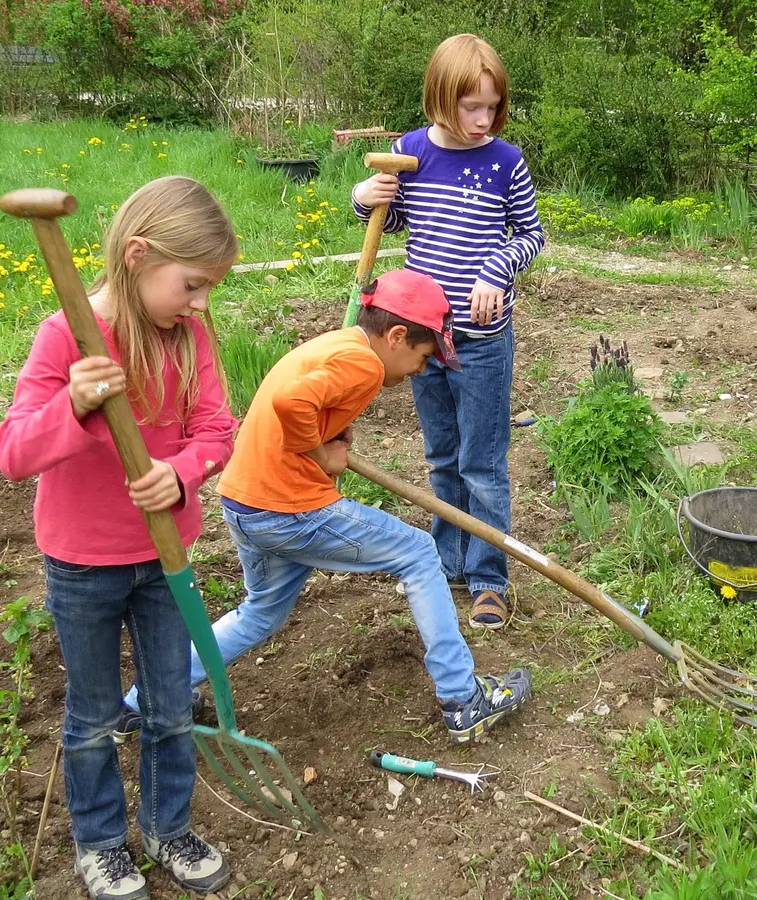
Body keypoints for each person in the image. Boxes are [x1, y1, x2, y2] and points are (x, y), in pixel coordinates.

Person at [0, 176, 238, 900]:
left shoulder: (191, 337)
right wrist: (76, 403)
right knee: (92, 715)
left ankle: (166, 825)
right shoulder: (67, 336)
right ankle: (100, 844)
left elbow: (218, 431)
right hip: (83, 563)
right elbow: (12, 454)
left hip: (166, 559)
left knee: (169, 705)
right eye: (191, 284)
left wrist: (181, 474)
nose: (200, 302)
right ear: (138, 254)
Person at [146, 268, 532, 745]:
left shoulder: (340, 344)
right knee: (417, 553)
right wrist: (320, 453)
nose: (421, 369)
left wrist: (329, 435)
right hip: (288, 508)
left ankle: (147, 699)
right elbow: (291, 403)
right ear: (395, 336)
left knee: (260, 613)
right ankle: (462, 699)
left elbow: (303, 400)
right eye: (423, 356)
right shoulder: (364, 364)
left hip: (245, 502)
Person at [351, 33, 545, 631]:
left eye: (492, 106)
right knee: (441, 457)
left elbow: (531, 235)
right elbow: (396, 217)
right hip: (420, 338)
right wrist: (365, 198)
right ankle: (448, 560)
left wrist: (496, 269)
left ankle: (489, 576)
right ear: (441, 99)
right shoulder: (410, 153)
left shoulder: (505, 161)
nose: (484, 119)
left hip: (483, 337)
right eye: (471, 107)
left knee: (481, 463)